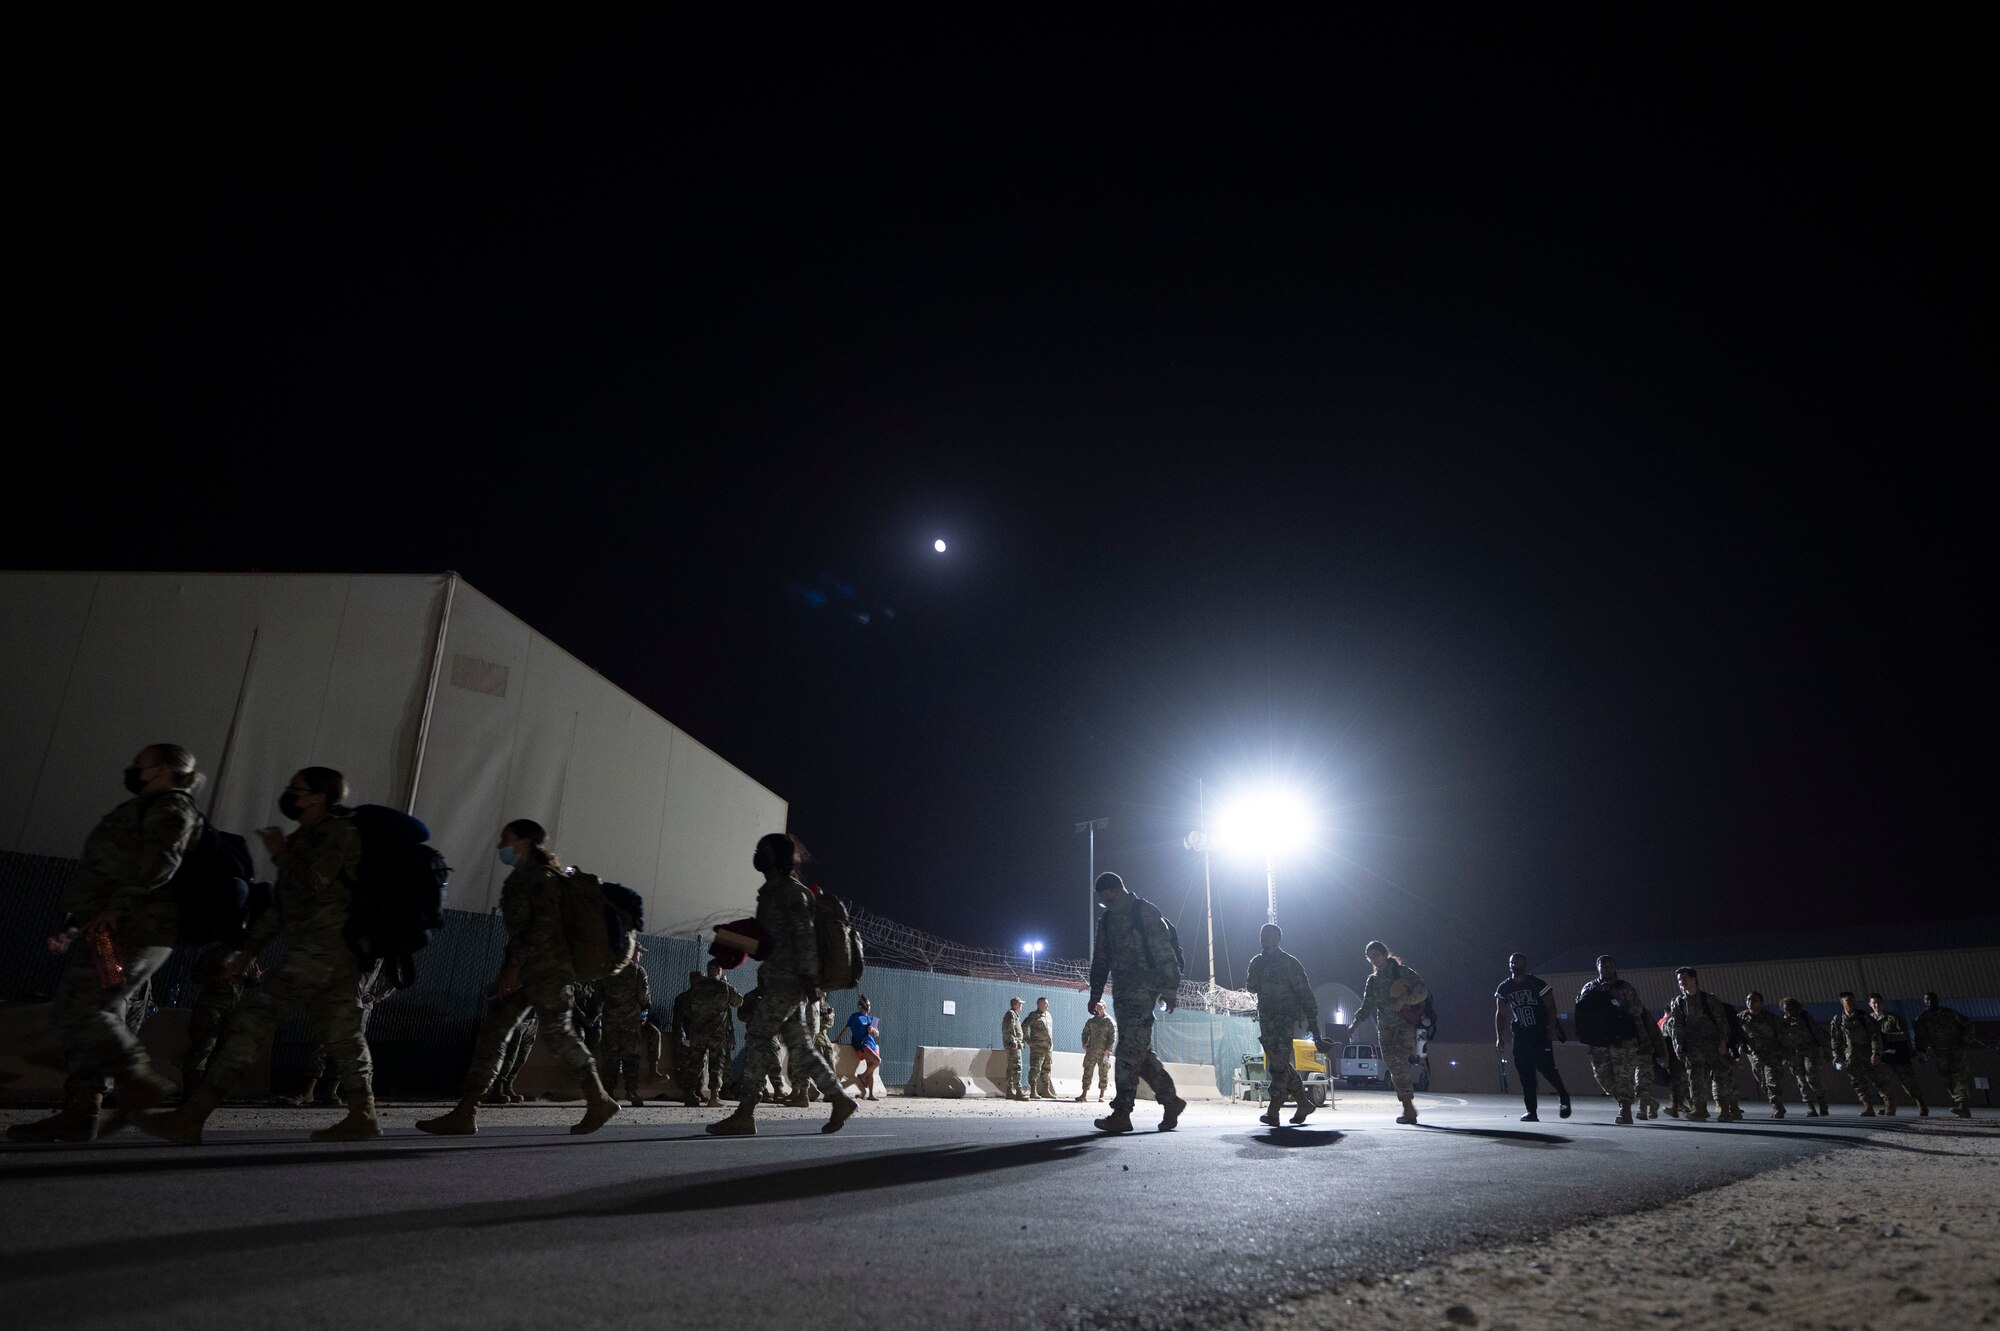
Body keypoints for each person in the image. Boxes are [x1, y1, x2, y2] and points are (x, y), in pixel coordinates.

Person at [140, 767, 381, 1144]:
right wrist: (248, 948)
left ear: (318, 797)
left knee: (251, 1023)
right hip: (327, 951)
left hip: (324, 947)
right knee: (343, 1035)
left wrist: (284, 856)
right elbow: (281, 904)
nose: (291, 795)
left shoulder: (337, 833)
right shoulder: (306, 836)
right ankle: (363, 1115)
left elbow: (315, 886)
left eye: (297, 790)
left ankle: (191, 1116)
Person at [9, 745, 202, 1144]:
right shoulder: (142, 807)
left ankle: (136, 1078)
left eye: (141, 763)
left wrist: (118, 906)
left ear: (162, 769)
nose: (132, 768)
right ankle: (84, 1107)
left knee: (83, 1007)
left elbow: (162, 864)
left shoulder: (171, 808)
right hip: (106, 932)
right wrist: (78, 922)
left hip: (135, 929)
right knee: (98, 1008)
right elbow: (105, 869)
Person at [411, 819, 619, 1137]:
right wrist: (513, 965)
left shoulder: (540, 878)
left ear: (523, 842)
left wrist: (513, 967)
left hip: (546, 971)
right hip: (530, 970)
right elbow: (523, 932)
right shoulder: (523, 876)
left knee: (559, 1035)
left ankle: (599, 1100)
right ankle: (466, 1111)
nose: (499, 846)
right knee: (493, 1033)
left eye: (505, 839)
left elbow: (543, 928)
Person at [707, 834, 857, 1136]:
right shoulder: (772, 892)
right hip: (780, 979)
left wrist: (811, 980)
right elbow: (772, 940)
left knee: (759, 1034)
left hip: (789, 982)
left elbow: (804, 937)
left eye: (763, 851)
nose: (757, 855)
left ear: (776, 858)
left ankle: (745, 1112)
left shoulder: (792, 893)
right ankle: (839, 1100)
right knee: (800, 1047)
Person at [1087, 872, 1186, 1134]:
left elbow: (1165, 952)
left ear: (1118, 891)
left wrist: (1169, 988)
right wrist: (1095, 993)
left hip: (1145, 990)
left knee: (1128, 1049)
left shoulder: (1144, 912)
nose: (1107, 906)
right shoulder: (1107, 920)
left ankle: (1122, 1112)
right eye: (1103, 903)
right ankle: (1171, 1101)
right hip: (1122, 992)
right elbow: (1101, 959)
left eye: (1109, 900)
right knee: (1139, 1053)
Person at [1245, 923, 1320, 1126]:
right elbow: (1251, 987)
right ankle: (1304, 1103)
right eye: (1262, 935)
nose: (1264, 938)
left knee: (1277, 1066)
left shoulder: (1289, 963)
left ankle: (1273, 1111)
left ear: (1278, 939)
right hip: (1267, 1020)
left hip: (1284, 1020)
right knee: (1280, 1064)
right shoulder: (1257, 962)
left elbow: (1305, 992)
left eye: (1269, 935)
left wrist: (1313, 1021)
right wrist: (1259, 972)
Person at [292, 962, 396, 1106]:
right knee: (322, 1043)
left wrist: (377, 996)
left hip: (360, 1005)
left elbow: (396, 977)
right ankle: (308, 1092)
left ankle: (331, 1092)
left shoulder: (383, 949)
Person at [1352, 940, 1429, 1125]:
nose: (1374, 961)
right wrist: (1355, 1023)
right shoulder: (1373, 980)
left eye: (1376, 956)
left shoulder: (1402, 972)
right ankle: (1407, 1105)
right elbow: (1367, 1005)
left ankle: (1408, 1108)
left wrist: (1405, 999)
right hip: (1385, 1029)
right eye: (1370, 958)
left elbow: (1422, 990)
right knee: (1395, 1067)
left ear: (1385, 954)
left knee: (1398, 1061)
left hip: (1404, 1025)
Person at [1574, 954, 1652, 1124]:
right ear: (1598, 968)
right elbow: (1581, 1008)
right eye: (1603, 966)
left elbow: (1636, 1010)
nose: (1606, 969)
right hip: (1599, 1039)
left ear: (1615, 968)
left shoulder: (1624, 988)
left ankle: (1625, 1109)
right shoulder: (1589, 987)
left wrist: (1616, 1004)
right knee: (1603, 1077)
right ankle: (1628, 1100)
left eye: (1610, 966)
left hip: (1622, 1039)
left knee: (1623, 1075)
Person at [1494, 952, 1571, 1122]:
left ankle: (1563, 1096)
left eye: (1518, 962)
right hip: (1521, 1035)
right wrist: (1499, 1037)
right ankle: (1531, 1111)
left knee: (1547, 1069)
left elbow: (1551, 1006)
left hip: (1540, 1032)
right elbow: (1501, 1013)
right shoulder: (1505, 987)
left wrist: (1551, 1027)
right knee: (1525, 1074)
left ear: (1525, 964)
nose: (1515, 965)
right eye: (1512, 962)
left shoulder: (1537, 983)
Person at [180, 948, 260, 1096]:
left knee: (222, 1052)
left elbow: (245, 982)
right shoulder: (214, 953)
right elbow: (196, 977)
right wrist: (219, 976)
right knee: (203, 1048)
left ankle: (206, 1093)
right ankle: (191, 1094)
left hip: (232, 1011)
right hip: (210, 1008)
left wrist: (254, 979)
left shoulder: (249, 954)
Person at [1666, 967, 1741, 1123]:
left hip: (1714, 1045)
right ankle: (1699, 1109)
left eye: (1685, 978)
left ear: (1694, 979)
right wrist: (1678, 1044)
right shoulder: (1678, 1002)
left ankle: (1726, 1110)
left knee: (1721, 1077)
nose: (1682, 982)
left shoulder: (1709, 999)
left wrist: (1723, 1043)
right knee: (1696, 1079)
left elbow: (1722, 1022)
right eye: (1679, 980)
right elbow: (1678, 1026)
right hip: (1694, 1047)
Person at [600, 948, 653, 1107]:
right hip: (630, 1022)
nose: (640, 955)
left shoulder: (609, 969)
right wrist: (645, 1011)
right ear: (631, 952)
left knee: (611, 1057)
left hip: (610, 1022)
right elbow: (644, 997)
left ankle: (608, 1093)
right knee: (631, 1058)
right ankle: (631, 1091)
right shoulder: (637, 971)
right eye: (638, 952)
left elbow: (599, 994)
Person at [1914, 992, 1979, 1119]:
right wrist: (1920, 1051)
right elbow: (1919, 1037)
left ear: (1937, 1000)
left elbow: (1968, 1024)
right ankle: (1959, 1102)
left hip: (1956, 1050)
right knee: (1946, 1078)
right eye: (1927, 1000)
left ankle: (1963, 1106)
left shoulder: (1950, 1013)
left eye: (1932, 999)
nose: (1930, 1002)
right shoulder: (1922, 1018)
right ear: (1924, 1002)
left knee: (1959, 1075)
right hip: (1939, 1052)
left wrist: (1965, 1041)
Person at [1865, 993, 1928, 1116]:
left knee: (1908, 1082)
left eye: (1878, 1002)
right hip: (1881, 1057)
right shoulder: (1869, 1020)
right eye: (1874, 1003)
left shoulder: (1893, 1018)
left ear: (1883, 1003)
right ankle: (1889, 1105)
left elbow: (1904, 1036)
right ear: (1870, 1004)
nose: (1876, 1005)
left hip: (1898, 1055)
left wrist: (1885, 1038)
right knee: (1882, 1084)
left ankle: (1921, 1104)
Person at [1830, 990, 1890, 1116]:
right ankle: (1868, 1107)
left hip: (1868, 1054)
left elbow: (1875, 1035)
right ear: (1842, 1002)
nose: (1852, 1003)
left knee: (1878, 1080)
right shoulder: (1838, 1020)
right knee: (1858, 1082)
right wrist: (1836, 1055)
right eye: (1848, 1000)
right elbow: (1836, 1040)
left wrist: (1876, 1053)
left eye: (1853, 1000)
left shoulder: (1864, 1017)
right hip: (1851, 1057)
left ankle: (1889, 1104)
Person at [1738, 992, 1791, 1118]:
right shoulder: (1741, 1017)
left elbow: (1782, 1036)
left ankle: (1778, 1107)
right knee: (1763, 1082)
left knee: (1772, 1080)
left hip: (1772, 1054)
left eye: (1754, 1000)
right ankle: (1775, 1105)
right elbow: (1735, 1033)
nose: (1751, 1002)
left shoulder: (1771, 1018)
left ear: (1761, 1002)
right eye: (1748, 1000)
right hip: (1754, 1056)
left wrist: (1786, 1053)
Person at [1776, 996, 1830, 1116]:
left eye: (1790, 1008)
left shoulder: (1805, 1018)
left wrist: (1826, 1050)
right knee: (1801, 1080)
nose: (1788, 1011)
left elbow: (1818, 1033)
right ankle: (1810, 1107)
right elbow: (1780, 1040)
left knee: (1812, 1077)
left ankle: (1822, 1102)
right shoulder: (1782, 1022)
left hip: (1811, 1051)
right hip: (1794, 1054)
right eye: (1785, 1009)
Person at [488, 1007, 537, 1104]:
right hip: (520, 1014)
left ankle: (507, 1087)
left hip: (533, 1017)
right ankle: (497, 1089)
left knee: (522, 1056)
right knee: (510, 1055)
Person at [1073, 1001, 1115, 1103]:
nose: (1098, 1009)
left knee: (1103, 1073)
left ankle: (1102, 1095)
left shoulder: (1109, 1021)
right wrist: (1084, 1043)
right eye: (1097, 1007)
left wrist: (1109, 1049)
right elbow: (1085, 1032)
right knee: (1087, 1072)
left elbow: (1113, 1036)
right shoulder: (1091, 1021)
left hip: (1103, 1052)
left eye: (1100, 1007)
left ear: (1104, 1007)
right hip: (1091, 1051)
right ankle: (1084, 1094)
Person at [845, 995, 882, 1100]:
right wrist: (839, 1039)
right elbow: (847, 1028)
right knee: (877, 1061)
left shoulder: (871, 1018)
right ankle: (862, 1076)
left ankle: (870, 1094)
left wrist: (873, 1030)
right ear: (861, 1006)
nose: (869, 1007)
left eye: (869, 1005)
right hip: (863, 1044)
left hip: (872, 1044)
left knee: (871, 1067)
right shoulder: (856, 1016)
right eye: (867, 1005)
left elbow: (877, 1033)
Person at [1024, 996, 1057, 1099]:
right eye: (1045, 1003)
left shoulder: (1049, 1015)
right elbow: (1024, 1026)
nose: (1048, 1005)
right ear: (1039, 1004)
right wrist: (1029, 1041)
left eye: (1047, 1003)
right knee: (1035, 1069)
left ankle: (1046, 1090)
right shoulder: (1033, 1015)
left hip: (1048, 1048)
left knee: (1047, 1069)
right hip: (1038, 1048)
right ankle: (1033, 1091)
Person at [1001, 997, 1027, 1101]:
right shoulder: (1011, 1014)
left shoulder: (1014, 1015)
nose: (1021, 1006)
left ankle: (1009, 1091)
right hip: (1013, 1046)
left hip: (1013, 1045)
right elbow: (1009, 1030)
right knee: (1017, 1067)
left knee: (1011, 1068)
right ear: (1016, 1004)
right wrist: (1015, 1043)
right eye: (1020, 1004)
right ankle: (1018, 1091)